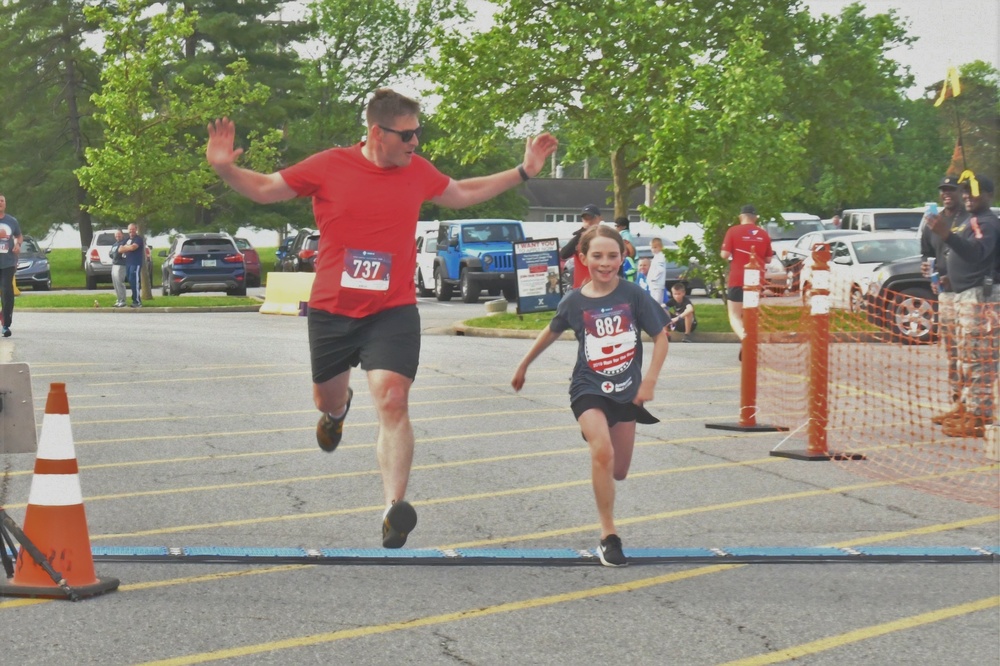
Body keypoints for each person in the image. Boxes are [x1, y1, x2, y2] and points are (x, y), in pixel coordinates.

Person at [206, 88, 558, 548]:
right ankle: (336, 412)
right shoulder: (330, 165)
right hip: (333, 309)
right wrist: (225, 168)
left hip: (392, 309)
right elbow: (268, 189)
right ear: (378, 131)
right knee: (325, 399)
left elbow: (462, 192)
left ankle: (394, 508)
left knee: (393, 398)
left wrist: (522, 171)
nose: (416, 143)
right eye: (408, 134)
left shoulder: (417, 171)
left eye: (419, 133)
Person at [512, 225, 668, 567]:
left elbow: (661, 338)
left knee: (620, 471)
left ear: (622, 257)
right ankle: (609, 536)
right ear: (583, 258)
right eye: (597, 256)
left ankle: (601, 435)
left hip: (627, 392)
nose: (605, 262)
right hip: (588, 388)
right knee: (603, 451)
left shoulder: (633, 295)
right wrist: (524, 365)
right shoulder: (574, 301)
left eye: (612, 255)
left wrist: (650, 382)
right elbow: (550, 332)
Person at [926, 175, 999, 438]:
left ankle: (980, 417)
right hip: (964, 295)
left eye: (973, 193)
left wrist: (947, 234)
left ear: (989, 195)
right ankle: (967, 407)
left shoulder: (986, 223)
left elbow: (977, 253)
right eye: (964, 193)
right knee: (966, 358)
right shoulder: (971, 221)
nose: (967, 196)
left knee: (980, 359)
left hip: (982, 299)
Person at [921, 176, 968, 425]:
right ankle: (957, 401)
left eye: (951, 190)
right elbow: (927, 253)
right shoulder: (933, 221)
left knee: (971, 351)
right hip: (945, 294)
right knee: (953, 350)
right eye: (943, 190)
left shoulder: (968, 218)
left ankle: (971, 406)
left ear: (962, 192)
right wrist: (927, 269)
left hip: (967, 291)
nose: (946, 194)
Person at [720, 204, 773, 347]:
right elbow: (768, 259)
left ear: (740, 217)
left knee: (735, 315)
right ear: (755, 218)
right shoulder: (763, 234)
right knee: (750, 314)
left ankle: (746, 340)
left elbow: (724, 255)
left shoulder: (733, 231)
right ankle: (749, 341)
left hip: (737, 279)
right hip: (757, 280)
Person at [560, 204, 603, 288]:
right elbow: (564, 254)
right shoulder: (579, 238)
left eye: (591, 218)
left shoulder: (605, 237)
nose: (588, 221)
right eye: (585, 218)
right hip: (581, 287)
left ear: (599, 218)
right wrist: (581, 233)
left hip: (601, 286)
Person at [0, 193, 23, 338]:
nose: (0, 203)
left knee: (7, 291)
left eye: (2, 201)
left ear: (5, 204)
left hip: (7, 263)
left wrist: (18, 244)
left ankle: (6, 325)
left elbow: (19, 236)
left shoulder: (11, 221)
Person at [119, 223, 145, 308]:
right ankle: (134, 300)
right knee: (130, 281)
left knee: (135, 282)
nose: (131, 231)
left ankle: (137, 301)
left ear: (136, 229)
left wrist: (126, 247)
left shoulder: (138, 239)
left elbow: (133, 247)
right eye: (130, 229)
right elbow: (120, 250)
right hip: (128, 263)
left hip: (136, 263)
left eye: (133, 229)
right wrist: (128, 247)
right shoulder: (126, 239)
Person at [647, 237, 668, 306]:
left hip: (657, 284)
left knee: (656, 304)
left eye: (655, 247)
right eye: (652, 247)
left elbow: (660, 269)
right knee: (653, 303)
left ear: (661, 247)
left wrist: (653, 278)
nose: (653, 249)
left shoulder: (660, 257)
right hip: (654, 285)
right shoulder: (656, 257)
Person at [110, 229, 128, 308]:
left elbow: (124, 253)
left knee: (120, 282)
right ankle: (119, 299)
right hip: (114, 264)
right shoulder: (114, 244)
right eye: (116, 235)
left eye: (119, 235)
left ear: (122, 235)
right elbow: (111, 253)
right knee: (115, 283)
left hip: (121, 265)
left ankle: (123, 300)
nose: (118, 236)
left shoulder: (124, 243)